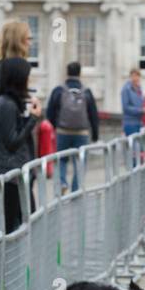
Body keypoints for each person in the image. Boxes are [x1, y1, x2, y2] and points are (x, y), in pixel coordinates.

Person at [0, 20, 31, 238]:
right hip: (2, 154)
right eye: (27, 38)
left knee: (15, 216)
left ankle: (8, 266)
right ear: (18, 40)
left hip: (18, 152)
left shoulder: (18, 66)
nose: (30, 42)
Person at [0, 59, 43, 233]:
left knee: (24, 223)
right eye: (27, 78)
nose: (29, 82)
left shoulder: (11, 102)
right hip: (9, 174)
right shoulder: (5, 104)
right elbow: (12, 141)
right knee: (9, 228)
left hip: (16, 174)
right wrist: (33, 119)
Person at [46, 61, 99, 193]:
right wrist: (95, 135)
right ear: (80, 73)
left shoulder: (59, 90)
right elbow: (93, 115)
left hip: (63, 131)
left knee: (61, 160)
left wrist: (56, 126)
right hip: (82, 133)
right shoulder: (86, 92)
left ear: (67, 72)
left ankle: (62, 182)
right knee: (79, 162)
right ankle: (76, 191)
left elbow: (49, 112)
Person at [121, 68, 145, 137]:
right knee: (134, 146)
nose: (136, 78)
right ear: (130, 77)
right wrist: (140, 110)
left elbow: (139, 102)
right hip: (130, 123)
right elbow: (125, 107)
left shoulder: (139, 88)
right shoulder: (126, 89)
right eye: (133, 76)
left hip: (139, 122)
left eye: (137, 76)